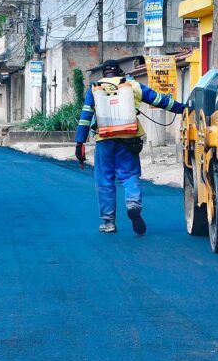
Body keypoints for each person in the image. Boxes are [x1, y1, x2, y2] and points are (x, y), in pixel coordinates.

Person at [75, 59, 186, 235]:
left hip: (104, 140)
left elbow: (85, 116)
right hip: (129, 138)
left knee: (104, 180)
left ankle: (109, 222)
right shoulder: (132, 85)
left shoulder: (95, 88)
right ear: (119, 72)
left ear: (104, 74)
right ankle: (133, 203)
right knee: (130, 175)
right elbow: (159, 100)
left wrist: (79, 142)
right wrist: (183, 108)